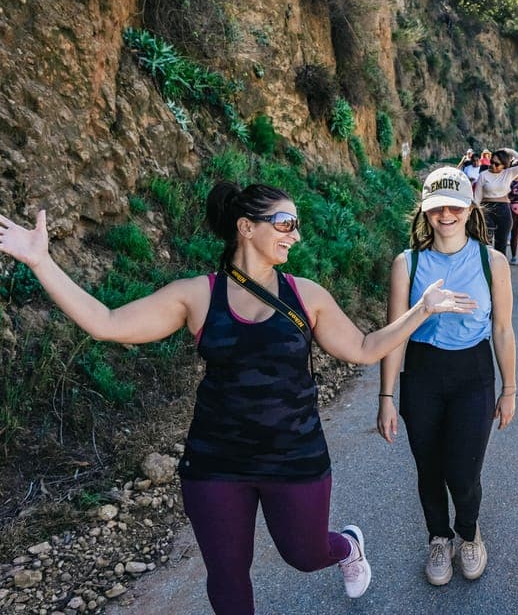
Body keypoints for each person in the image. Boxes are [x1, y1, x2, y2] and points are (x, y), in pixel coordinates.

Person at [0, 182, 477, 615]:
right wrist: (42, 262)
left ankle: (347, 548)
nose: (295, 234)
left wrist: (422, 310)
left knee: (306, 554)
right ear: (246, 228)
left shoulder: (305, 294)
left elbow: (364, 348)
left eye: (297, 225)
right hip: (215, 461)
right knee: (227, 576)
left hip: (294, 455)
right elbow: (106, 322)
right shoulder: (197, 296)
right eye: (285, 223)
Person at [377, 167, 517, 586]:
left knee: (463, 470)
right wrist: (386, 396)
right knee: (429, 467)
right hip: (422, 372)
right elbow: (394, 336)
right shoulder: (408, 263)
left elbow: (503, 329)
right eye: (436, 207)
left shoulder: (492, 262)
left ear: (470, 206)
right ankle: (438, 538)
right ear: (425, 210)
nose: (446, 214)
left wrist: (509, 388)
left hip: (473, 372)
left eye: (454, 205)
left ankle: (469, 534)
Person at [474, 148, 518, 256]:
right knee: (486, 244)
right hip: (486, 209)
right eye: (491, 162)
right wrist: (474, 214)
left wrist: (510, 151)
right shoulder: (483, 175)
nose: (492, 165)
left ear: (504, 165)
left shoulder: (508, 173)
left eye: (497, 164)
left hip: (503, 208)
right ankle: (485, 270)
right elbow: (477, 197)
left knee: (501, 245)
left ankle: (500, 270)